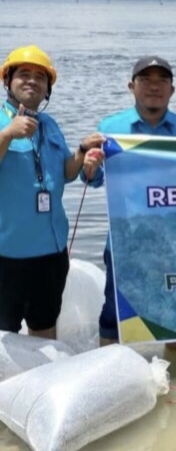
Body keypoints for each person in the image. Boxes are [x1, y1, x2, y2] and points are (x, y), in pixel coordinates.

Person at [95, 55, 176, 347]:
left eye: (161, 81)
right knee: (113, 313)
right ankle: (108, 375)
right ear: (131, 86)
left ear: (172, 90)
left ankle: (173, 380)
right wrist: (89, 164)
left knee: (174, 314)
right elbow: (95, 180)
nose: (154, 87)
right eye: (146, 81)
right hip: (126, 239)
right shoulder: (110, 127)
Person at [0, 45, 104, 339]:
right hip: (7, 255)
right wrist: (7, 133)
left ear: (47, 89)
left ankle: (40, 383)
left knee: (44, 329)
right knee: (3, 337)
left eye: (40, 77)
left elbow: (66, 174)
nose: (32, 80)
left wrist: (83, 152)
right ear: (7, 81)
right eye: (24, 74)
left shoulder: (51, 125)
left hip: (51, 253)